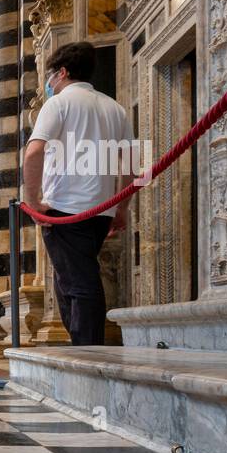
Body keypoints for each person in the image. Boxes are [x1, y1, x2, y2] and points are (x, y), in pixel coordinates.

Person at [22, 40, 133, 346]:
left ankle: (89, 353)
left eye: (51, 76)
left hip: (65, 210)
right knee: (67, 279)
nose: (49, 83)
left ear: (63, 72)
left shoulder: (58, 104)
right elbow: (133, 164)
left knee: (81, 283)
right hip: (102, 211)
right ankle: (80, 345)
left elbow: (33, 153)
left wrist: (34, 204)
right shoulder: (116, 109)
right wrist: (121, 208)